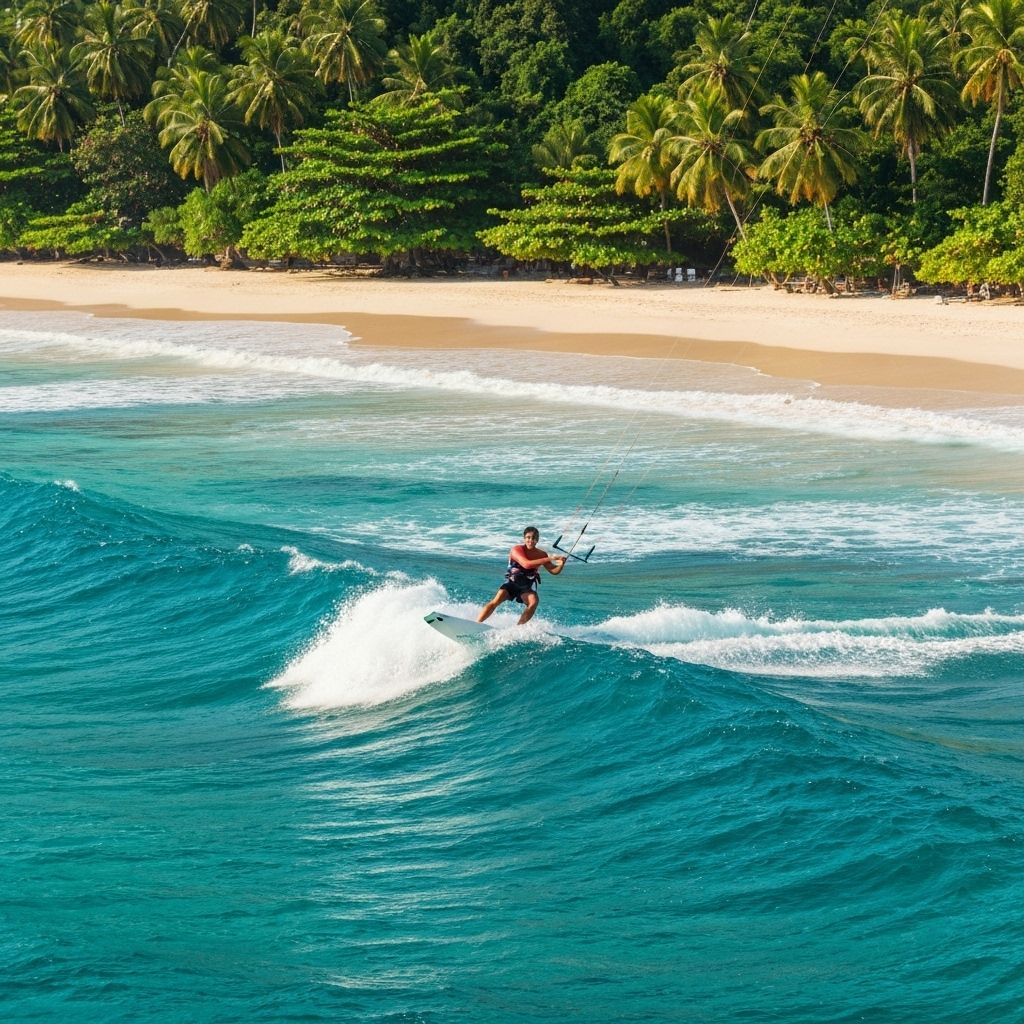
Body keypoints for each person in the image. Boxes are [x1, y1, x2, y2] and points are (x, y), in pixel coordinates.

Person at [478, 526, 566, 625]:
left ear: (537, 540)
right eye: (528, 537)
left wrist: (561, 564)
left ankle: (518, 628)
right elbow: (526, 564)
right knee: (496, 600)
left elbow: (554, 571)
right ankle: (477, 623)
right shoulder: (517, 549)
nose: (531, 540)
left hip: (527, 585)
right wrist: (550, 558)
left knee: (533, 602)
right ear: (524, 538)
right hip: (512, 582)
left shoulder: (542, 554)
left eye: (534, 538)